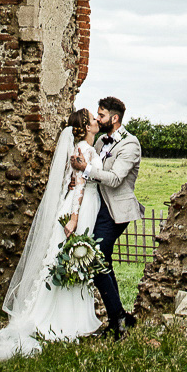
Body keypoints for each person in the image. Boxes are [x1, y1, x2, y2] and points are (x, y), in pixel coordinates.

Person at [0, 108, 103, 359]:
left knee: (67, 259)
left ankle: (70, 312)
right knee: (69, 259)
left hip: (81, 205)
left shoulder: (84, 148)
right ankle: (65, 318)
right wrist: (75, 217)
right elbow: (78, 185)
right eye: (92, 119)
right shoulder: (84, 150)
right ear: (86, 127)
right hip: (81, 207)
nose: (97, 121)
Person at [70, 96, 145, 339]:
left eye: (101, 115)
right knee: (104, 260)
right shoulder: (102, 141)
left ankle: (118, 320)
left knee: (97, 258)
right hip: (99, 206)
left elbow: (113, 178)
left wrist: (86, 169)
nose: (98, 119)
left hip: (118, 211)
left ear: (114, 118)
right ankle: (119, 315)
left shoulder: (130, 145)